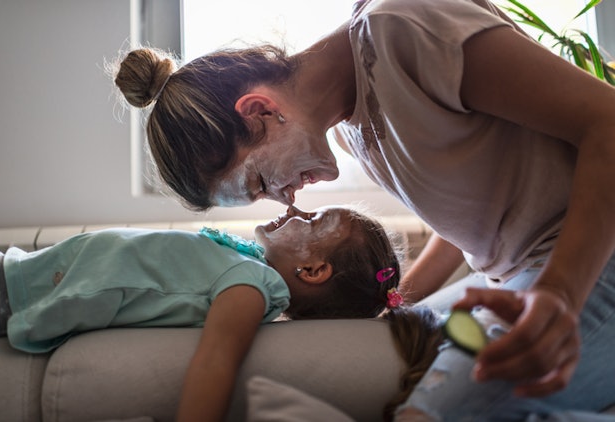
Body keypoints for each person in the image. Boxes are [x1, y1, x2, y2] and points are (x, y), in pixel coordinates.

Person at [112, 0, 615, 418]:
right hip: (521, 271)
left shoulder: (403, 28)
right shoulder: (354, 130)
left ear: (260, 111)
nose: (286, 199)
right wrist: (395, 304)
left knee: (432, 412)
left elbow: (607, 121)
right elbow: (477, 216)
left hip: (594, 250)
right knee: (404, 346)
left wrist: (560, 294)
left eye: (262, 182)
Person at [0, 204, 443, 421]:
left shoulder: (252, 287)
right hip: (14, 271)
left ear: (313, 269)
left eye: (314, 221)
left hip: (7, 290)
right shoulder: (247, 267)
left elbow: (216, 361)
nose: (296, 208)